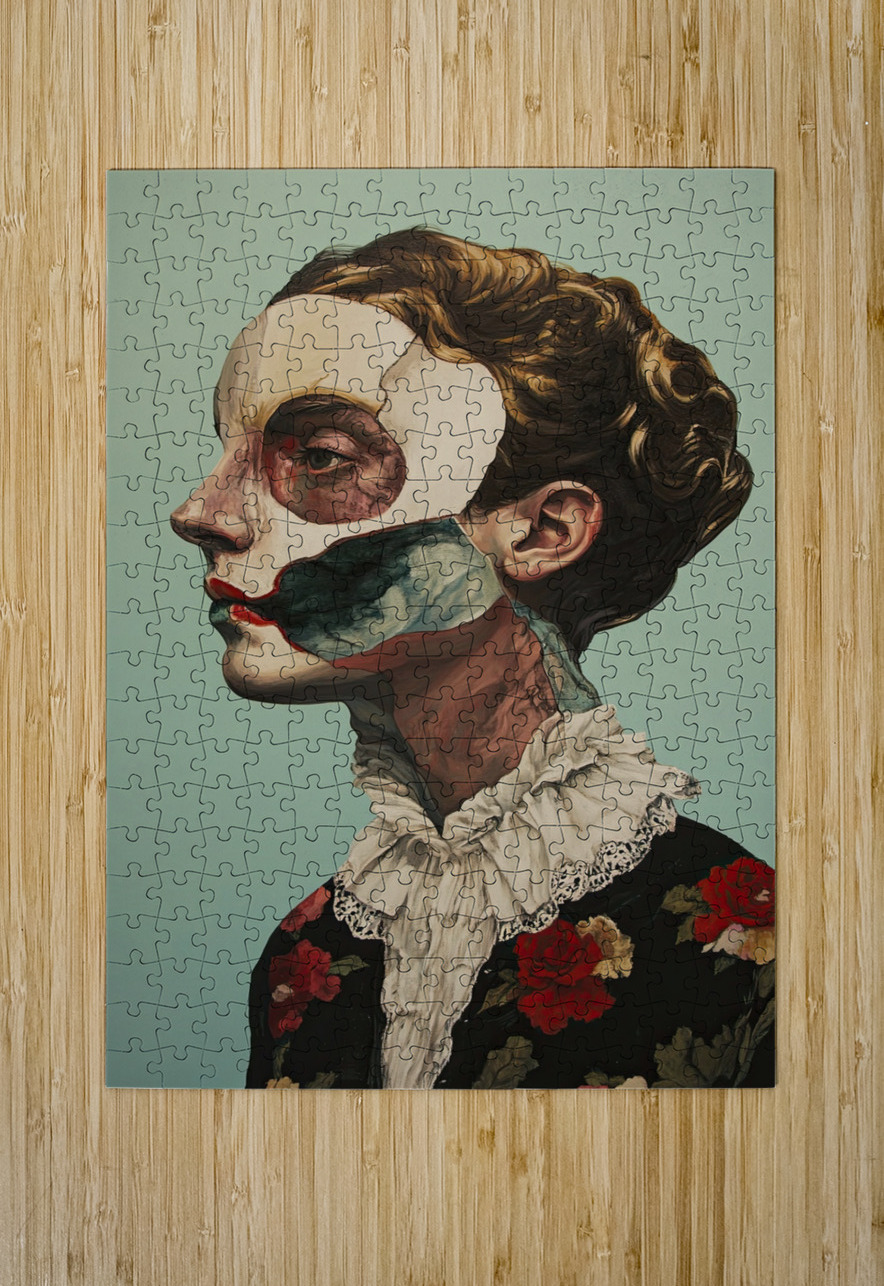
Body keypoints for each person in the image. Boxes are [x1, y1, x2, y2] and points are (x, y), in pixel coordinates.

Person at [171, 229, 775, 1090]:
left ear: (543, 530)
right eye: (229, 451)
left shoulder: (755, 945)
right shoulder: (308, 957)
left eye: (322, 456)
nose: (200, 511)